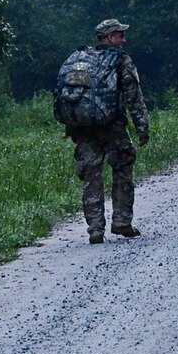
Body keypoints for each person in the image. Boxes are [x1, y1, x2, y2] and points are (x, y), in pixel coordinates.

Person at [61, 19, 150, 244]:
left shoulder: (80, 58)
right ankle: (121, 222)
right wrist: (142, 127)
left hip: (83, 128)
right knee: (122, 167)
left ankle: (95, 229)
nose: (124, 39)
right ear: (110, 37)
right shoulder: (121, 60)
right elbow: (133, 96)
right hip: (113, 126)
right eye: (120, 35)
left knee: (91, 175)